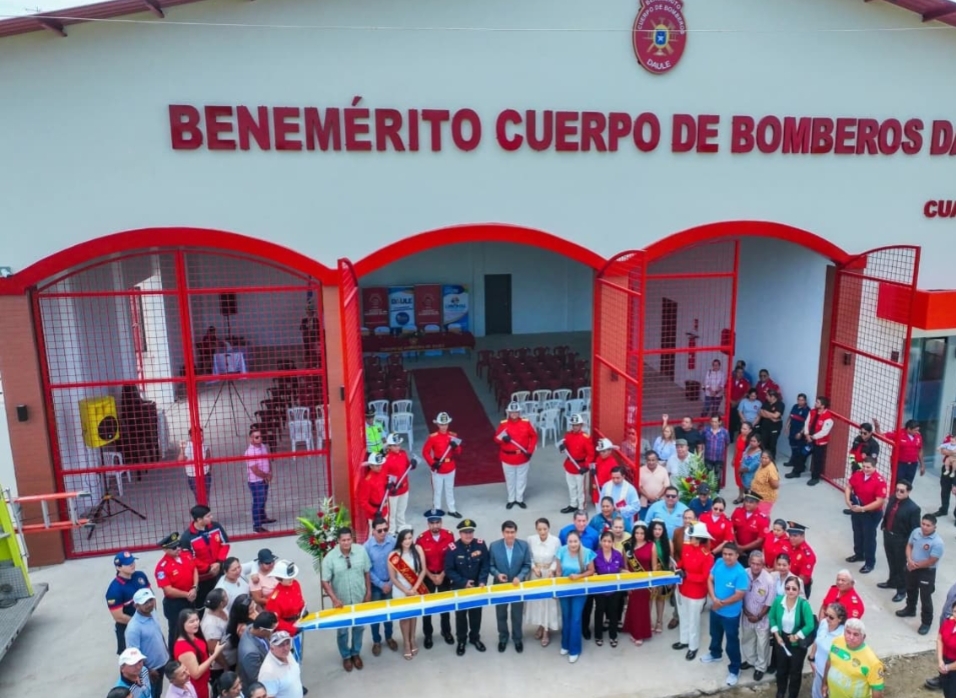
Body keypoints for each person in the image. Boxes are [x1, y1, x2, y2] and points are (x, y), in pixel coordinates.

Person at [321, 527, 372, 671]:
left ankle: (356, 653)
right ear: (338, 541)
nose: (346, 543)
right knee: (342, 631)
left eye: (349, 539)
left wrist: (368, 592)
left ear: (352, 539)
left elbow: (367, 572)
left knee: (359, 628)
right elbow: (325, 581)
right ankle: (346, 656)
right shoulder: (330, 558)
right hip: (341, 603)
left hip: (359, 598)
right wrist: (334, 599)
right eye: (343, 540)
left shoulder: (361, 551)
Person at [701, 543, 749, 686]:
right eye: (725, 554)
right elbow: (710, 579)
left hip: (730, 614)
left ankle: (735, 669)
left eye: (730, 554)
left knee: (732, 642)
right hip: (716, 608)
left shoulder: (741, 573)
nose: (727, 557)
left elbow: (739, 595)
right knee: (714, 634)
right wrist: (713, 599)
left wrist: (720, 603)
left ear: (737, 555)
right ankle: (715, 654)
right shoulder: (719, 562)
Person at [445, 518, 491, 656]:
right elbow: (449, 570)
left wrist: (482, 581)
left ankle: (475, 638)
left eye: (470, 532)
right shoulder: (452, 548)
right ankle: (461, 640)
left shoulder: (480, 545)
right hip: (460, 588)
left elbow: (485, 565)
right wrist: (463, 582)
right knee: (461, 616)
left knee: (476, 614)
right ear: (460, 533)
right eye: (465, 532)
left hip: (477, 587)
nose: (468, 535)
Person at [488, 520, 532, 653]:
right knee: (501, 614)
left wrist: (520, 576)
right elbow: (490, 566)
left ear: (516, 532)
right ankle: (503, 638)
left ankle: (517, 639)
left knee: (517, 614)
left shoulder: (523, 546)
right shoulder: (494, 546)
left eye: (512, 532)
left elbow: (527, 565)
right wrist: (497, 574)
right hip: (500, 586)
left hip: (517, 586)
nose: (510, 535)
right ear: (503, 533)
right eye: (507, 532)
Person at [770, 574, 816, 698]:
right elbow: (772, 617)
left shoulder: (803, 605)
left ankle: (793, 694)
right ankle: (781, 691)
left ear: (799, 590)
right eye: (788, 588)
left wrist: (797, 636)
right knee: (781, 668)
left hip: (797, 643)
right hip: (781, 639)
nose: (790, 591)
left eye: (794, 589)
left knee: (795, 671)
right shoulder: (778, 601)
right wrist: (777, 635)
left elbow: (810, 625)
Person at [897, 513, 944, 635]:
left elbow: (932, 560)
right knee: (910, 589)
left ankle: (926, 622)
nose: (924, 527)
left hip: (926, 572)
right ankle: (910, 609)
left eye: (928, 525)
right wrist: (909, 560)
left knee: (925, 597)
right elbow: (909, 545)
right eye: (923, 524)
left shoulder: (937, 542)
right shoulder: (916, 532)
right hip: (912, 566)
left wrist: (915, 565)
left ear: (934, 527)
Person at [415, 509, 456, 648]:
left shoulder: (449, 536)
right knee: (427, 607)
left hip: (444, 575)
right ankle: (428, 635)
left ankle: (446, 631)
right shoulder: (421, 539)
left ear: (441, 522)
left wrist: (442, 575)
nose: (435, 526)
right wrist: (431, 576)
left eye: (437, 522)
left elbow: (451, 558)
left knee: (445, 605)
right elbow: (420, 562)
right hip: (428, 576)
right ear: (428, 524)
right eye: (432, 523)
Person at [674, 522, 714, 660]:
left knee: (693, 620)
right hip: (682, 588)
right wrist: (677, 567)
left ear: (699, 538)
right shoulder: (687, 547)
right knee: (683, 616)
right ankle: (684, 640)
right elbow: (682, 562)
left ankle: (693, 646)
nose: (689, 538)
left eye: (692, 537)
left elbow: (704, 577)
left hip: (696, 592)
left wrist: (687, 575)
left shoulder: (707, 556)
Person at [555, 529, 596, 663]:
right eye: (570, 541)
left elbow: (591, 570)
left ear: (579, 541)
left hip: (579, 590)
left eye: (575, 541)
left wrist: (579, 576)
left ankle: (574, 649)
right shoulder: (561, 551)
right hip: (564, 589)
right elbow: (558, 571)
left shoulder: (586, 553)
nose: (573, 544)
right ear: (567, 542)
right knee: (566, 616)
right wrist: (556, 587)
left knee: (576, 618)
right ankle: (565, 644)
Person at [387, 527, 428, 659]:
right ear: (400, 539)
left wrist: (414, 589)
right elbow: (393, 578)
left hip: (415, 587)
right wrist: (405, 591)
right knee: (404, 617)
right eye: (405, 539)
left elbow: (423, 570)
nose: (408, 541)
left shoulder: (418, 549)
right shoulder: (393, 555)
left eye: (410, 538)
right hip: (400, 589)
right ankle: (406, 642)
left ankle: (412, 639)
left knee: (413, 615)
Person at [879, 478, 921, 603]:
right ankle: (892, 581)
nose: (898, 493)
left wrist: (908, 545)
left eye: (902, 491)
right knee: (891, 560)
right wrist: (884, 526)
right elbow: (888, 514)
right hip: (888, 534)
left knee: (900, 566)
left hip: (901, 539)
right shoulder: (893, 499)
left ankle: (902, 590)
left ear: (908, 492)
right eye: (897, 490)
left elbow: (914, 529)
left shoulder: (913, 508)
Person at [155, 533, 199, 655]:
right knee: (176, 631)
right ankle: (175, 657)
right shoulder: (162, 567)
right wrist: (187, 595)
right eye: (174, 547)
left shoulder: (186, 555)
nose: (178, 549)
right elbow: (168, 590)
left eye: (179, 545)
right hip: (175, 604)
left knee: (193, 626)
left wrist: (194, 587)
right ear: (165, 550)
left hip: (191, 597)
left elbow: (194, 570)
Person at [181, 505, 231, 608]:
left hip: (219, 572)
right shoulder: (187, 537)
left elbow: (225, 544)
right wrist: (208, 568)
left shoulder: (216, 527)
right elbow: (190, 559)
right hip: (202, 579)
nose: (211, 517)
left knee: (223, 601)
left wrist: (218, 562)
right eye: (208, 516)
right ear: (199, 519)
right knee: (203, 606)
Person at [844, 456, 887, 574]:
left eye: (868, 467)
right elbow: (849, 486)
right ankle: (859, 554)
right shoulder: (858, 474)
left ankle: (869, 563)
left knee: (869, 538)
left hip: (871, 513)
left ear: (874, 467)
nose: (865, 469)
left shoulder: (879, 481)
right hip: (857, 509)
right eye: (864, 466)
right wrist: (847, 501)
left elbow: (879, 501)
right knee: (857, 533)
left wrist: (863, 509)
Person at [125, 588, 169, 698]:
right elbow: (134, 654)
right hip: (150, 671)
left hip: (161, 663)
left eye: (151, 600)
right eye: (145, 602)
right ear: (136, 606)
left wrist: (166, 652)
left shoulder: (152, 612)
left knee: (158, 692)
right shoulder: (133, 628)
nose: (149, 604)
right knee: (151, 694)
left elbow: (159, 633)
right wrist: (148, 670)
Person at [824, 619, 885, 698]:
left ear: (863, 637)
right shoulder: (837, 642)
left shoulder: (873, 662)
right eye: (848, 632)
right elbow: (829, 663)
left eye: (856, 634)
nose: (851, 637)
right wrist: (824, 684)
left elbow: (877, 692)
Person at [363, 516, 397, 656]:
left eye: (385, 529)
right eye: (380, 530)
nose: (383, 533)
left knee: (389, 614)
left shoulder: (393, 542)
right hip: (376, 586)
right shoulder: (367, 547)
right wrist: (381, 584)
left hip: (390, 583)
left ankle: (389, 637)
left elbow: (398, 562)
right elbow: (367, 569)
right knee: (375, 615)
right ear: (373, 531)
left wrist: (390, 582)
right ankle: (376, 641)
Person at [494, 401, 538, 509]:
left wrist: (530, 450)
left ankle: (519, 499)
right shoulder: (503, 424)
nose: (514, 414)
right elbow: (496, 439)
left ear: (519, 412)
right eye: (512, 412)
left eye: (516, 412)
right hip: (507, 457)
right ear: (508, 413)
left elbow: (534, 436)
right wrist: (503, 439)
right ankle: (511, 499)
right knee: (510, 479)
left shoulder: (526, 423)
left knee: (521, 479)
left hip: (522, 456)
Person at [107, 550, 152, 654]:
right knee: (132, 659)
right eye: (128, 564)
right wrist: (141, 623)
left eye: (132, 561)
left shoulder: (140, 576)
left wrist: (152, 616)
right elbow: (119, 617)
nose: (132, 565)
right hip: (129, 628)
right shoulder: (114, 590)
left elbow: (150, 596)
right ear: (118, 568)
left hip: (147, 622)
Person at [739, 550, 775, 682]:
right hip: (747, 615)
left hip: (762, 618)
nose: (755, 567)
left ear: (763, 565)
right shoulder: (744, 574)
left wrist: (758, 616)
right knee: (747, 639)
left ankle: (760, 667)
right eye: (753, 563)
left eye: (758, 564)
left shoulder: (769, 581)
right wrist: (746, 612)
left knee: (762, 643)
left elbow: (769, 603)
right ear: (749, 562)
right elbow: (740, 594)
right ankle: (750, 660)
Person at [174, 609, 225, 698]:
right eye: (191, 622)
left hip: (203, 683)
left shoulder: (194, 635)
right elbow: (196, 674)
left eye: (197, 620)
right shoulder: (183, 648)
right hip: (196, 688)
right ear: (182, 624)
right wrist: (214, 655)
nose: (196, 623)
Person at [526, 517, 562, 647]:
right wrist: (533, 567)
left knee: (548, 603)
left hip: (549, 575)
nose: (542, 532)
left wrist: (552, 570)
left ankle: (547, 630)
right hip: (536, 575)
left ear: (548, 528)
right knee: (538, 602)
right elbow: (528, 557)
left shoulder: (555, 541)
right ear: (536, 529)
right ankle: (541, 625)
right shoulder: (531, 540)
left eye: (545, 529)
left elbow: (557, 558)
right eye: (539, 529)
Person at [421, 412, 463, 518]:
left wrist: (455, 446)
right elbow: (425, 452)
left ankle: (452, 509)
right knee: (437, 490)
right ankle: (437, 510)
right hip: (438, 467)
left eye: (446, 424)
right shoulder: (433, 437)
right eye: (442, 424)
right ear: (438, 425)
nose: (444, 426)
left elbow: (459, 452)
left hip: (450, 466)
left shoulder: (453, 436)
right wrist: (432, 463)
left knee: (450, 489)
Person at [591, 530, 626, 648]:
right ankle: (598, 635)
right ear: (600, 542)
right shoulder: (595, 555)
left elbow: (620, 568)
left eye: (609, 541)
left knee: (613, 612)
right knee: (599, 611)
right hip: (600, 589)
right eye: (604, 541)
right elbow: (592, 570)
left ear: (613, 543)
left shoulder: (618, 554)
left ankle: (613, 636)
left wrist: (625, 572)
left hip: (614, 589)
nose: (606, 544)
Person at [622, 521, 654, 646]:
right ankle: (632, 628)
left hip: (645, 581)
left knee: (642, 608)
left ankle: (639, 634)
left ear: (645, 534)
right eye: (637, 533)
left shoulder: (651, 545)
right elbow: (625, 565)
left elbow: (654, 566)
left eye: (642, 533)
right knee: (633, 606)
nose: (639, 535)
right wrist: (627, 583)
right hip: (632, 581)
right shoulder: (627, 545)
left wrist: (653, 583)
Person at [808, 603, 848, 698]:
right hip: (818, 669)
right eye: (826, 615)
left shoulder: (843, 636)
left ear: (840, 619)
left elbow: (844, 658)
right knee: (816, 694)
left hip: (832, 675)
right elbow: (817, 639)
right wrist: (811, 658)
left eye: (831, 617)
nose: (827, 619)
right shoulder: (823, 623)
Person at [558, 413, 596, 514]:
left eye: (577, 425)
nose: (575, 427)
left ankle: (581, 507)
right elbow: (564, 449)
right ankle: (573, 504)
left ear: (581, 425)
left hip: (580, 467)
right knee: (571, 487)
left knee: (581, 489)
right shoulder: (568, 435)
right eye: (573, 425)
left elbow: (591, 454)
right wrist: (561, 448)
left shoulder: (585, 437)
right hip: (570, 465)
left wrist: (586, 466)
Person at [264, 561, 306, 650]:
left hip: (299, 623)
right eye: (288, 578)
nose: (292, 579)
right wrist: (293, 629)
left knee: (299, 650)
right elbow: (275, 621)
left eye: (292, 576)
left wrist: (303, 610)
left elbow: (300, 600)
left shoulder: (295, 584)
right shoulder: (274, 599)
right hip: (285, 633)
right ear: (279, 578)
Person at [873, 416, 924, 485]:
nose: (917, 432)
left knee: (908, 484)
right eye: (915, 430)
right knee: (897, 483)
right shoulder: (898, 434)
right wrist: (877, 426)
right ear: (909, 429)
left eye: (918, 430)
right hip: (900, 465)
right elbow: (881, 435)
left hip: (912, 465)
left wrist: (922, 465)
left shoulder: (918, 436)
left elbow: (920, 450)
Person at [383, 432, 417, 534]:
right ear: (389, 446)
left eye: (398, 445)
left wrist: (413, 464)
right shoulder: (386, 459)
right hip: (393, 490)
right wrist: (389, 487)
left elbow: (408, 467)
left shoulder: (403, 453)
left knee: (401, 510)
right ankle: (391, 531)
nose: (397, 447)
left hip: (404, 488)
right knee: (392, 513)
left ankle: (401, 526)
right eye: (394, 445)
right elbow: (384, 476)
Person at [236, 612, 276, 697]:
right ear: (262, 630)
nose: (273, 632)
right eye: (271, 630)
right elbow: (257, 678)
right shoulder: (250, 652)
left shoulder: (251, 627)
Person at [257, 632, 303, 698]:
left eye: (287, 643)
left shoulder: (287, 654)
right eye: (281, 645)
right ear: (272, 648)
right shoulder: (268, 672)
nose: (286, 648)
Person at [649, 519, 675, 633]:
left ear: (663, 530)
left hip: (663, 574)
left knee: (660, 599)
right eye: (655, 529)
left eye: (660, 529)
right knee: (649, 599)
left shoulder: (668, 542)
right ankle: (648, 621)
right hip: (651, 574)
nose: (657, 531)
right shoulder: (648, 541)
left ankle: (659, 621)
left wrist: (670, 579)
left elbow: (671, 562)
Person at [201, 589, 232, 685]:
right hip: (219, 667)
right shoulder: (211, 625)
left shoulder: (223, 610)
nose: (228, 598)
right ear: (221, 603)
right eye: (225, 597)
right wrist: (225, 666)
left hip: (230, 658)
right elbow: (213, 649)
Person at [731, 491, 771, 566]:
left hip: (752, 552)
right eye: (746, 501)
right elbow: (731, 529)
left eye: (751, 502)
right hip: (736, 547)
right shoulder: (737, 512)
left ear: (757, 503)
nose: (748, 504)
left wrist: (742, 548)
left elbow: (760, 540)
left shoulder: (763, 519)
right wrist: (737, 546)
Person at [244, 428, 272, 533]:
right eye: (256, 437)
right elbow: (255, 470)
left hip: (264, 478)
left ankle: (263, 517)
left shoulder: (263, 447)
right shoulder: (249, 452)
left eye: (260, 436)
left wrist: (270, 472)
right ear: (251, 439)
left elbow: (268, 460)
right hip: (256, 481)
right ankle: (257, 525)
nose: (260, 439)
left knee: (263, 499)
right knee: (258, 502)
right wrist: (266, 475)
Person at [803, 396, 834, 486]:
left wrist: (812, 437)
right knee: (802, 454)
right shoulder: (812, 412)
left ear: (823, 406)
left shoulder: (828, 417)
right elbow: (806, 423)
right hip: (809, 439)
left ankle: (815, 478)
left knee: (817, 461)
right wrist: (806, 434)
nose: (815, 404)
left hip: (819, 443)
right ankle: (797, 471)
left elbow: (824, 432)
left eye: (817, 402)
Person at [358, 452, 390, 530]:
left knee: (385, 530)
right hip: (374, 514)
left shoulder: (382, 472)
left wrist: (388, 485)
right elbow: (363, 501)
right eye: (377, 465)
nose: (380, 467)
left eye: (380, 465)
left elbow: (384, 484)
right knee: (375, 533)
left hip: (384, 509)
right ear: (371, 466)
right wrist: (374, 512)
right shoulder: (367, 481)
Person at [178, 427, 211, 500]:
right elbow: (180, 460)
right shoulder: (188, 447)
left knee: (206, 497)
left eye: (202, 436)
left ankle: (204, 507)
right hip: (194, 477)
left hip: (205, 474)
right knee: (200, 498)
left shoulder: (203, 444)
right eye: (200, 436)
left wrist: (209, 469)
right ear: (191, 437)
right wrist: (182, 450)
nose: (202, 438)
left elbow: (208, 453)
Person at [638, 450, 670, 518]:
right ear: (646, 460)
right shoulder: (641, 470)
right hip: (644, 503)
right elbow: (639, 486)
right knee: (644, 522)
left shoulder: (663, 470)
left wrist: (657, 497)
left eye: (653, 460)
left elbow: (666, 486)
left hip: (660, 502)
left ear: (657, 460)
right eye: (649, 460)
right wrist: (648, 496)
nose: (651, 462)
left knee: (659, 522)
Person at [783, 393, 810, 468]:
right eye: (799, 400)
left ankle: (799, 465)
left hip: (799, 431)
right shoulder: (795, 406)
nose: (800, 401)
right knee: (793, 446)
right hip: (792, 430)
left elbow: (807, 423)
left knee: (799, 449)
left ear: (805, 401)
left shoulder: (807, 410)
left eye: (802, 400)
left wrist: (800, 433)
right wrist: (787, 426)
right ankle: (792, 461)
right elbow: (790, 416)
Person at [936, 598, 956, 698]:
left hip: (953, 667)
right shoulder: (949, 622)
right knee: (947, 691)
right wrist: (940, 660)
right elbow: (940, 639)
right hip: (945, 662)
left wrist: (947, 667)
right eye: (955, 611)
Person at [750, 450, 780, 515]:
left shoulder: (770, 471)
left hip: (765, 499)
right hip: (757, 496)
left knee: (762, 515)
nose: (763, 460)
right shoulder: (762, 465)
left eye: (766, 458)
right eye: (762, 457)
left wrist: (769, 480)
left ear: (770, 459)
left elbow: (775, 486)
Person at [732, 421, 755, 504]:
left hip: (746, 463)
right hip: (738, 461)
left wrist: (746, 463)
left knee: (747, 480)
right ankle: (740, 496)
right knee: (739, 480)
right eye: (742, 428)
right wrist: (734, 459)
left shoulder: (752, 440)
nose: (743, 430)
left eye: (745, 429)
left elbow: (753, 453)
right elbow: (736, 449)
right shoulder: (739, 436)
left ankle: (749, 498)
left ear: (750, 430)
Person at [591, 438, 620, 503]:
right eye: (600, 451)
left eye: (604, 451)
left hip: (606, 494)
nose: (601, 453)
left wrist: (602, 488)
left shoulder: (613, 464)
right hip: (597, 491)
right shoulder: (598, 459)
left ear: (610, 451)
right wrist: (593, 473)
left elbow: (613, 482)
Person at [758, 390, 785, 460]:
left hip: (774, 427)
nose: (766, 397)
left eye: (767, 395)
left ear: (772, 397)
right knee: (763, 443)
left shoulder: (780, 404)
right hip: (765, 426)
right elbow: (760, 413)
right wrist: (771, 417)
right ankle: (763, 458)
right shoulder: (766, 402)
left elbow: (776, 415)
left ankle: (771, 459)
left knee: (772, 444)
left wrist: (765, 412)